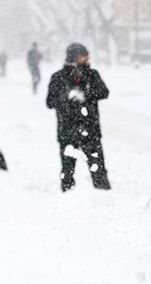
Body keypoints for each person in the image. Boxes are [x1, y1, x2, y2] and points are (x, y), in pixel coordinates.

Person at [46, 43, 111, 192]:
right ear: (74, 57)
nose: (87, 58)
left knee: (98, 168)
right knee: (67, 169)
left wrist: (85, 95)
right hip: (67, 131)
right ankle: (68, 198)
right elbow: (50, 102)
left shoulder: (92, 75)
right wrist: (66, 98)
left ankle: (104, 197)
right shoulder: (58, 77)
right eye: (83, 55)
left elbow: (104, 92)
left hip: (90, 129)